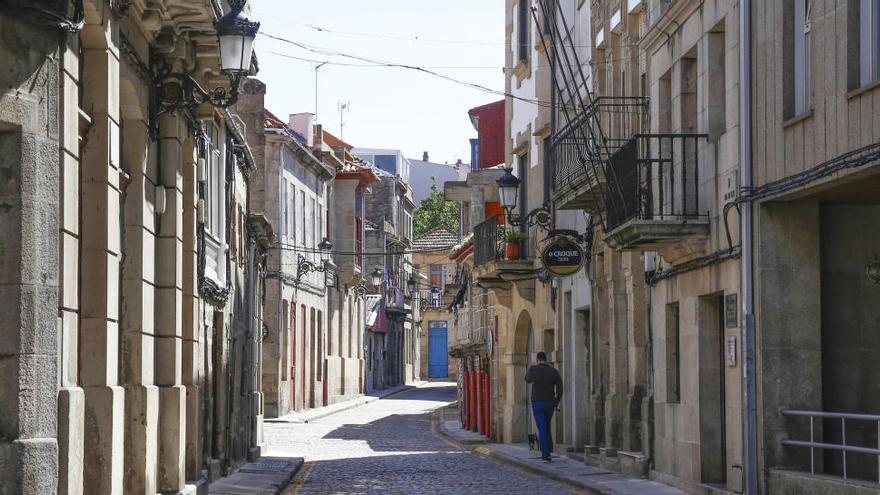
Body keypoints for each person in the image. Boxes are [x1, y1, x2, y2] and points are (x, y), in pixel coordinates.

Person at [525, 351, 562, 463]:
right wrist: (556, 402)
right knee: (546, 426)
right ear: (546, 359)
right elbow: (560, 389)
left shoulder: (533, 369)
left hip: (537, 403)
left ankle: (545, 455)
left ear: (537, 359)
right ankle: (549, 450)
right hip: (550, 403)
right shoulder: (554, 371)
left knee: (542, 428)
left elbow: (527, 379)